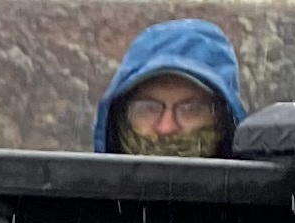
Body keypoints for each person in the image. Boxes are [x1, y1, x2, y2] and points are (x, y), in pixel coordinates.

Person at [93, 15, 247, 157]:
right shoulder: (82, 186)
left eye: (191, 109)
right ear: (119, 117)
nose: (166, 128)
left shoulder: (258, 186)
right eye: (148, 108)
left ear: (223, 118)